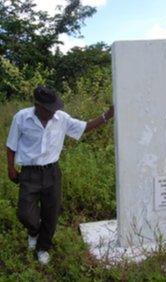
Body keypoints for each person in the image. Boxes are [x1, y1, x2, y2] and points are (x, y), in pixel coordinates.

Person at [6, 85, 114, 265]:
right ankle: (34, 231)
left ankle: (43, 248)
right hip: (29, 173)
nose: (53, 112)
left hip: (52, 172)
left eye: (54, 108)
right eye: (49, 109)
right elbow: (11, 145)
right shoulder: (21, 118)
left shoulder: (61, 118)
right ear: (37, 105)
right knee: (24, 214)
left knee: (51, 213)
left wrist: (106, 116)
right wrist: (10, 168)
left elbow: (84, 127)